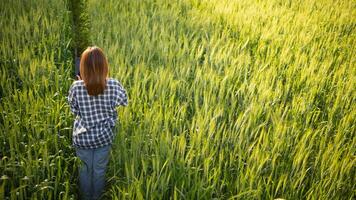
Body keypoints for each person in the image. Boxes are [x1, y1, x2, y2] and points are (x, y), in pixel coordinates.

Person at [67, 46, 128, 200]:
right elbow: (124, 102)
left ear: (82, 68)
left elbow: (74, 110)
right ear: (104, 66)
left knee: (85, 169)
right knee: (99, 169)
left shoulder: (76, 87)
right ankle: (97, 197)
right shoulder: (113, 85)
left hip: (82, 139)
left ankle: (86, 197)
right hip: (104, 137)